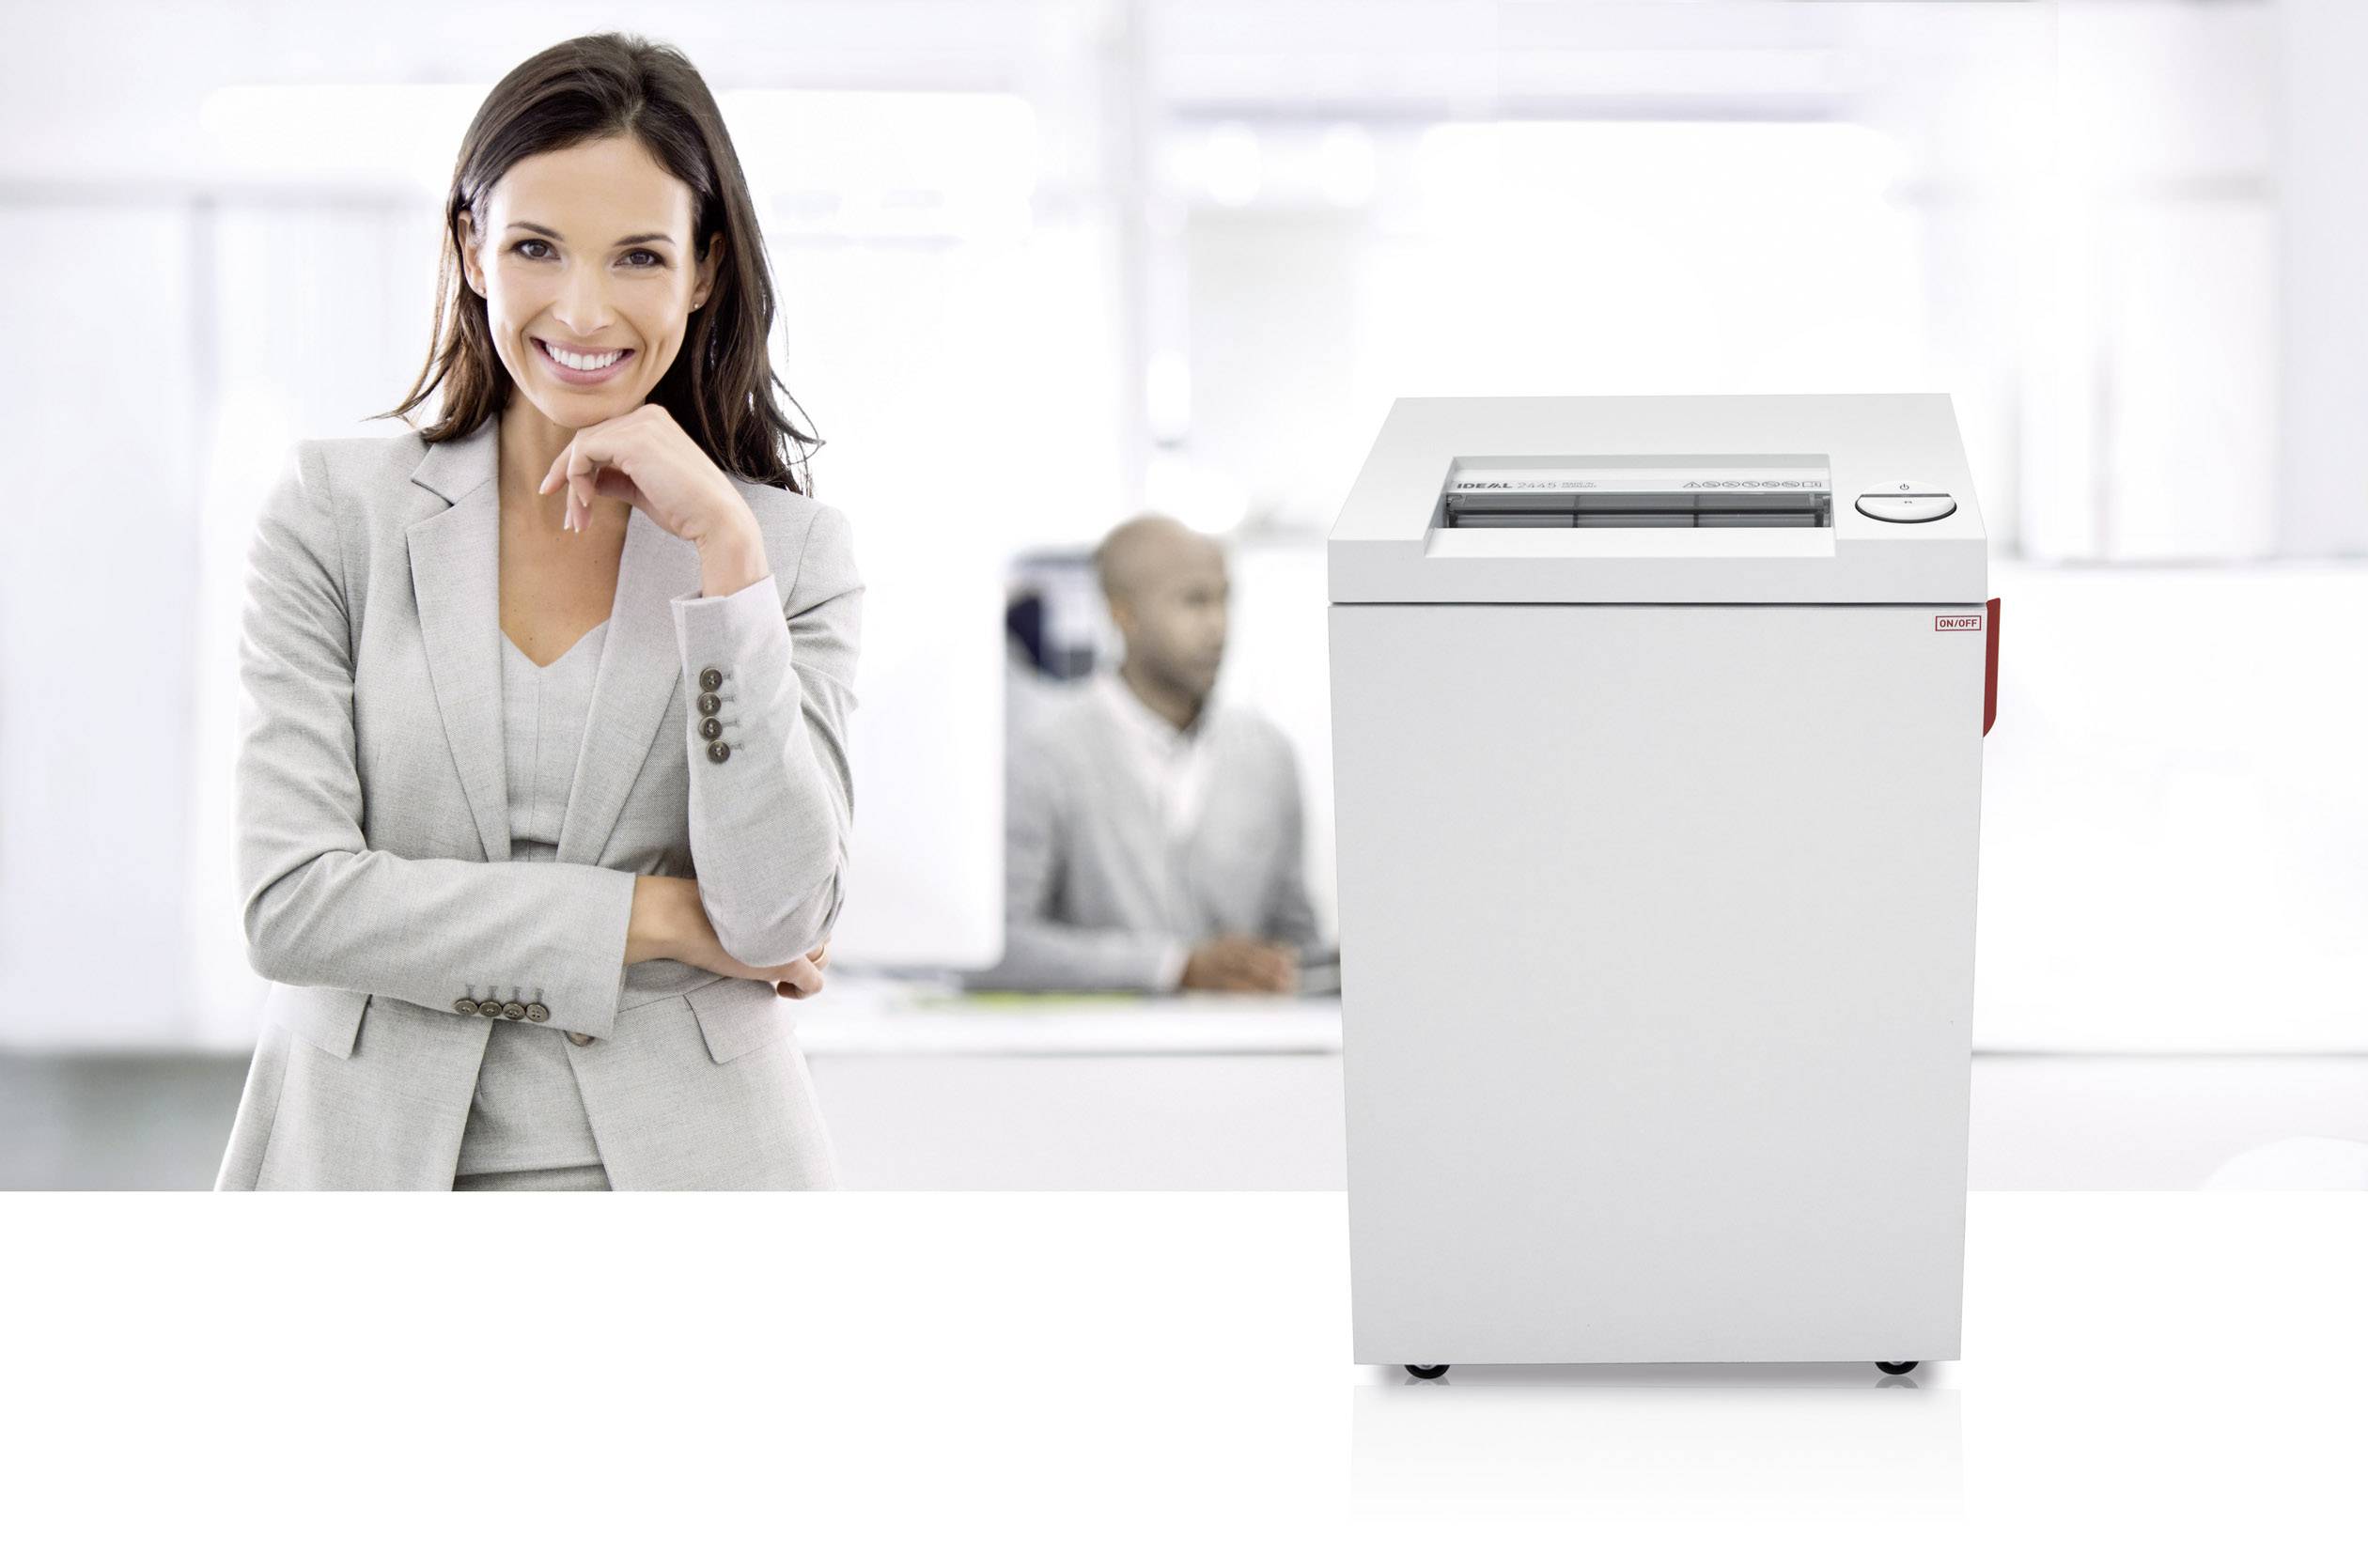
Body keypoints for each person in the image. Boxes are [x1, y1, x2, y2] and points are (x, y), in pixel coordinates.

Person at [214, 33, 861, 1190]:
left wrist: (727, 560)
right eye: (535, 247)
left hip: (696, 1172)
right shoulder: (335, 515)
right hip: (363, 1161)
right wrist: (653, 920)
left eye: (639, 257)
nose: (583, 308)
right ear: (471, 249)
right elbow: (293, 904)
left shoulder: (784, 552)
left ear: (703, 270)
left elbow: (775, 918)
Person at [974, 514, 1322, 994]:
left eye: (1224, 598)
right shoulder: (1044, 754)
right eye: (1193, 601)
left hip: (1247, 1038)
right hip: (1097, 1041)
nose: (1218, 627)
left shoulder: (1268, 754)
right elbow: (994, 948)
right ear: (1123, 614)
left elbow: (1296, 937)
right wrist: (1172, 967)